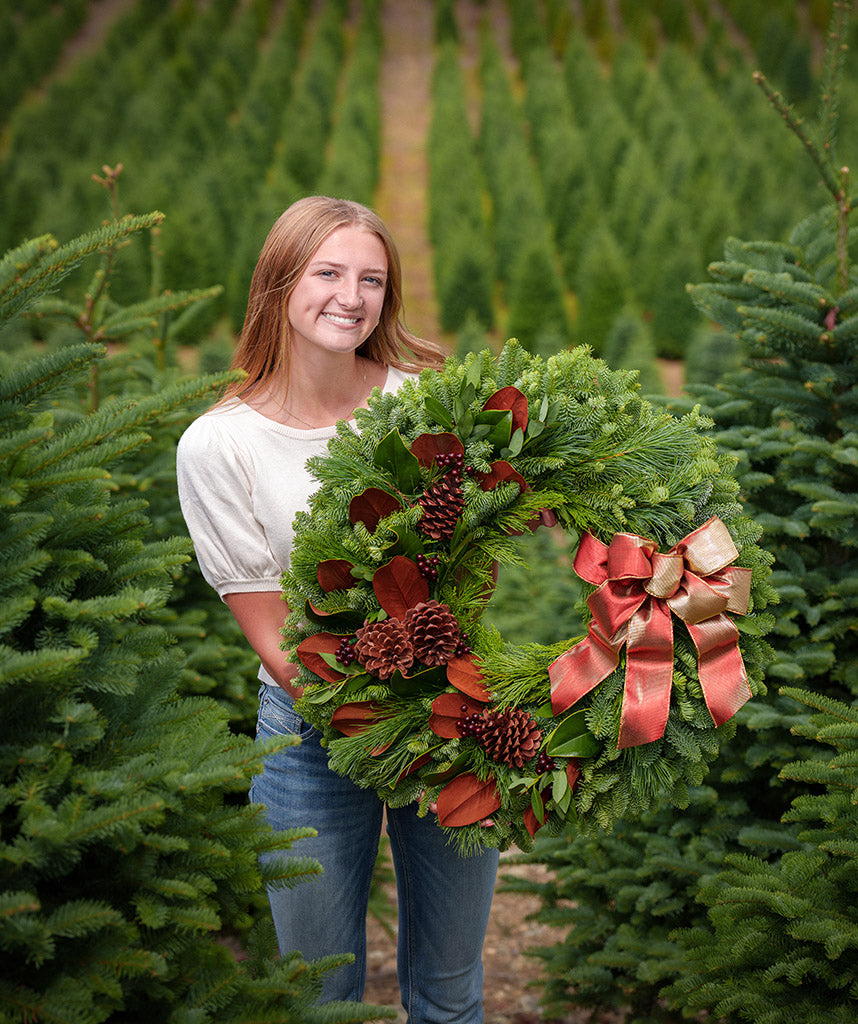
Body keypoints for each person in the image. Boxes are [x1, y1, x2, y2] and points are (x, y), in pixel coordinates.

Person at [176, 196, 500, 1023]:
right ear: (280, 281)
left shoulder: (423, 402)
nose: (350, 297)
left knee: (453, 994)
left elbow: (471, 562)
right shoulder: (220, 445)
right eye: (328, 273)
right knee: (321, 998)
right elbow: (280, 639)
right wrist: (383, 709)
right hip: (310, 727)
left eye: (371, 280)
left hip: (448, 713)